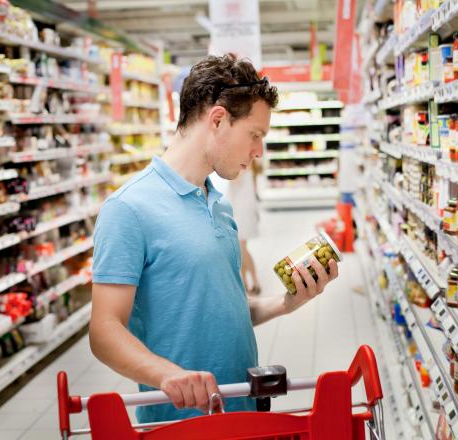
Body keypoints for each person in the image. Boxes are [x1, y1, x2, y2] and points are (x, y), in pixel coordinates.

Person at [89, 53, 339, 425]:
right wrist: (165, 375)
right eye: (255, 135)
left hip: (241, 409)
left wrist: (285, 303)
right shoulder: (129, 208)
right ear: (219, 120)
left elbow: (225, 307)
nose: (259, 151)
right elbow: (104, 331)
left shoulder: (218, 203)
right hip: (179, 423)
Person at [226, 165, 261, 295]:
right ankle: (245, 282)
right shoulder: (244, 163)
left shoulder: (243, 164)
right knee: (239, 249)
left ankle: (255, 281)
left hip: (243, 211)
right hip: (239, 209)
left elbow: (234, 179)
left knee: (241, 247)